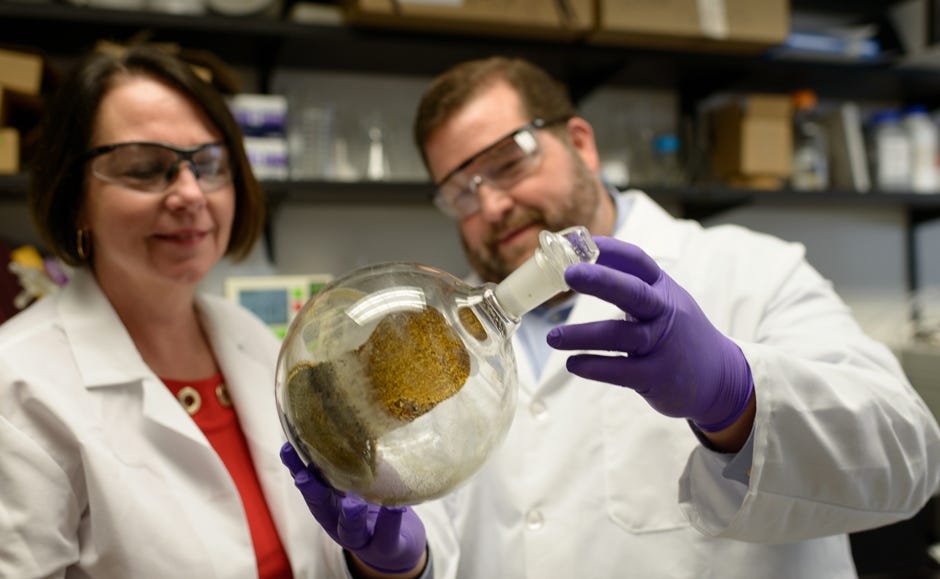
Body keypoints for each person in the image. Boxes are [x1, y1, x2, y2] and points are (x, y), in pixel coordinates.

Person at [283, 55, 940, 578]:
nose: (492, 205)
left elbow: (910, 459)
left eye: (508, 162)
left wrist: (736, 397)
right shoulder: (438, 348)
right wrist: (394, 565)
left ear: (580, 142)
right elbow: (446, 543)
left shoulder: (751, 270)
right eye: (460, 191)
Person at [0, 44, 381, 578]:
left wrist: (379, 567)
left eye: (208, 164)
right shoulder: (17, 386)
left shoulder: (254, 341)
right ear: (75, 196)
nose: (189, 193)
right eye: (144, 168)